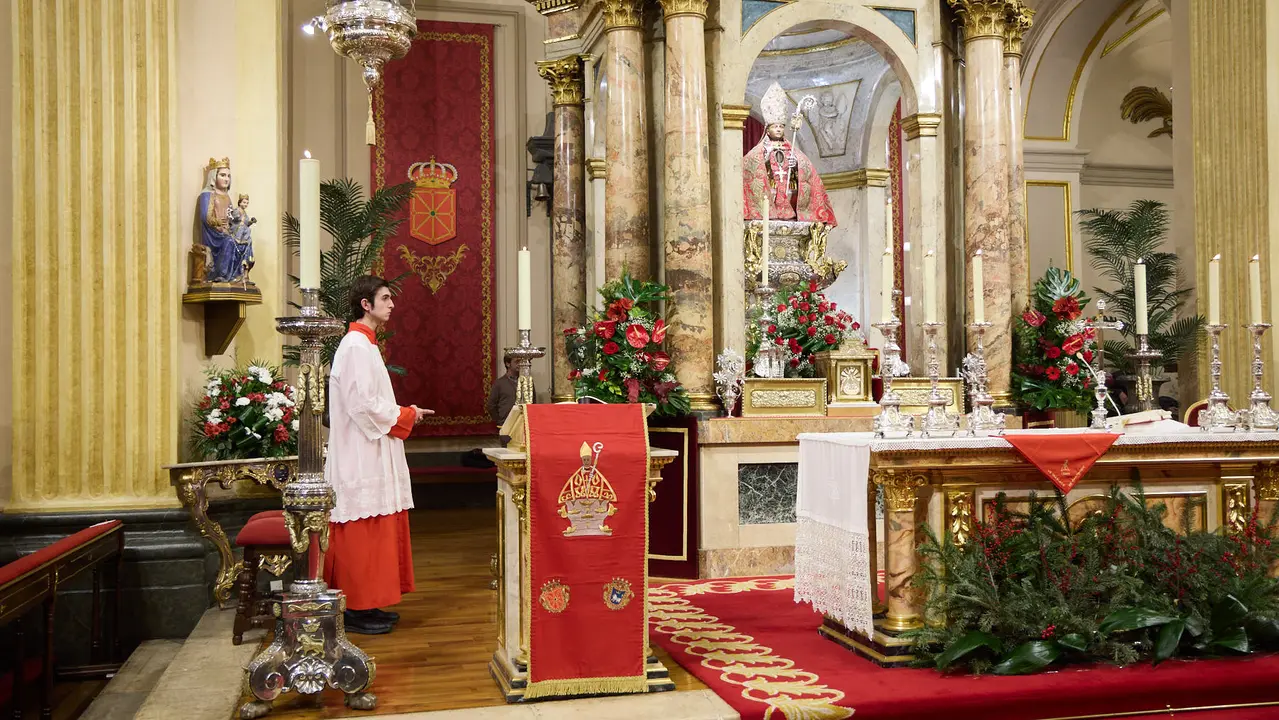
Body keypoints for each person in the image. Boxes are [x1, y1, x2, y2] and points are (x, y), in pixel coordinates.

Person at [324, 276, 433, 635]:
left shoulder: (366, 345)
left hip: (371, 448)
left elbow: (372, 401)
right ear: (365, 305)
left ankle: (368, 602)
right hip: (359, 453)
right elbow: (361, 404)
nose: (392, 305)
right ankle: (354, 607)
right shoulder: (355, 345)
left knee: (376, 528)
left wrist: (404, 411)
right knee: (362, 531)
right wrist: (405, 415)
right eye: (385, 298)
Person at [742, 82, 838, 227]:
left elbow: (808, 175)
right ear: (767, 130)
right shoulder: (757, 153)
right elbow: (749, 170)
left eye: (781, 126)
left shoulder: (793, 150)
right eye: (775, 126)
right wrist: (765, 160)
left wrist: (796, 166)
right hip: (768, 204)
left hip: (789, 199)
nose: (779, 130)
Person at [486, 355, 520, 445]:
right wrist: (501, 422)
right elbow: (491, 406)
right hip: (506, 427)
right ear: (508, 364)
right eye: (517, 362)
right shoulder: (499, 383)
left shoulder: (527, 382)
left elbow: (533, 403)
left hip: (523, 426)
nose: (520, 364)